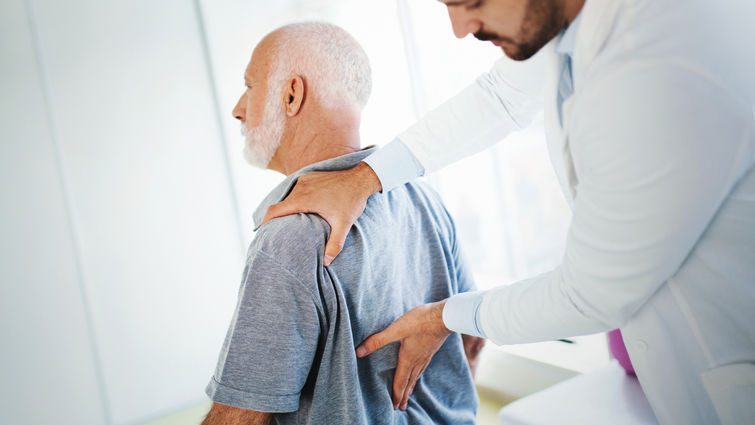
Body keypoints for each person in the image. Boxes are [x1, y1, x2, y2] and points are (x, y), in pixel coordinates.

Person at [261, 1, 755, 424]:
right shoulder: (575, 24)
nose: (460, 27)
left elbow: (590, 295)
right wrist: (365, 177)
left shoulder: (658, 60)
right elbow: (500, 96)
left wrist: (446, 317)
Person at [202, 22, 485, 425]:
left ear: (291, 94)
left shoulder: (289, 237)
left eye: (250, 85)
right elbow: (472, 339)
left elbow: (240, 418)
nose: (238, 108)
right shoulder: (424, 199)